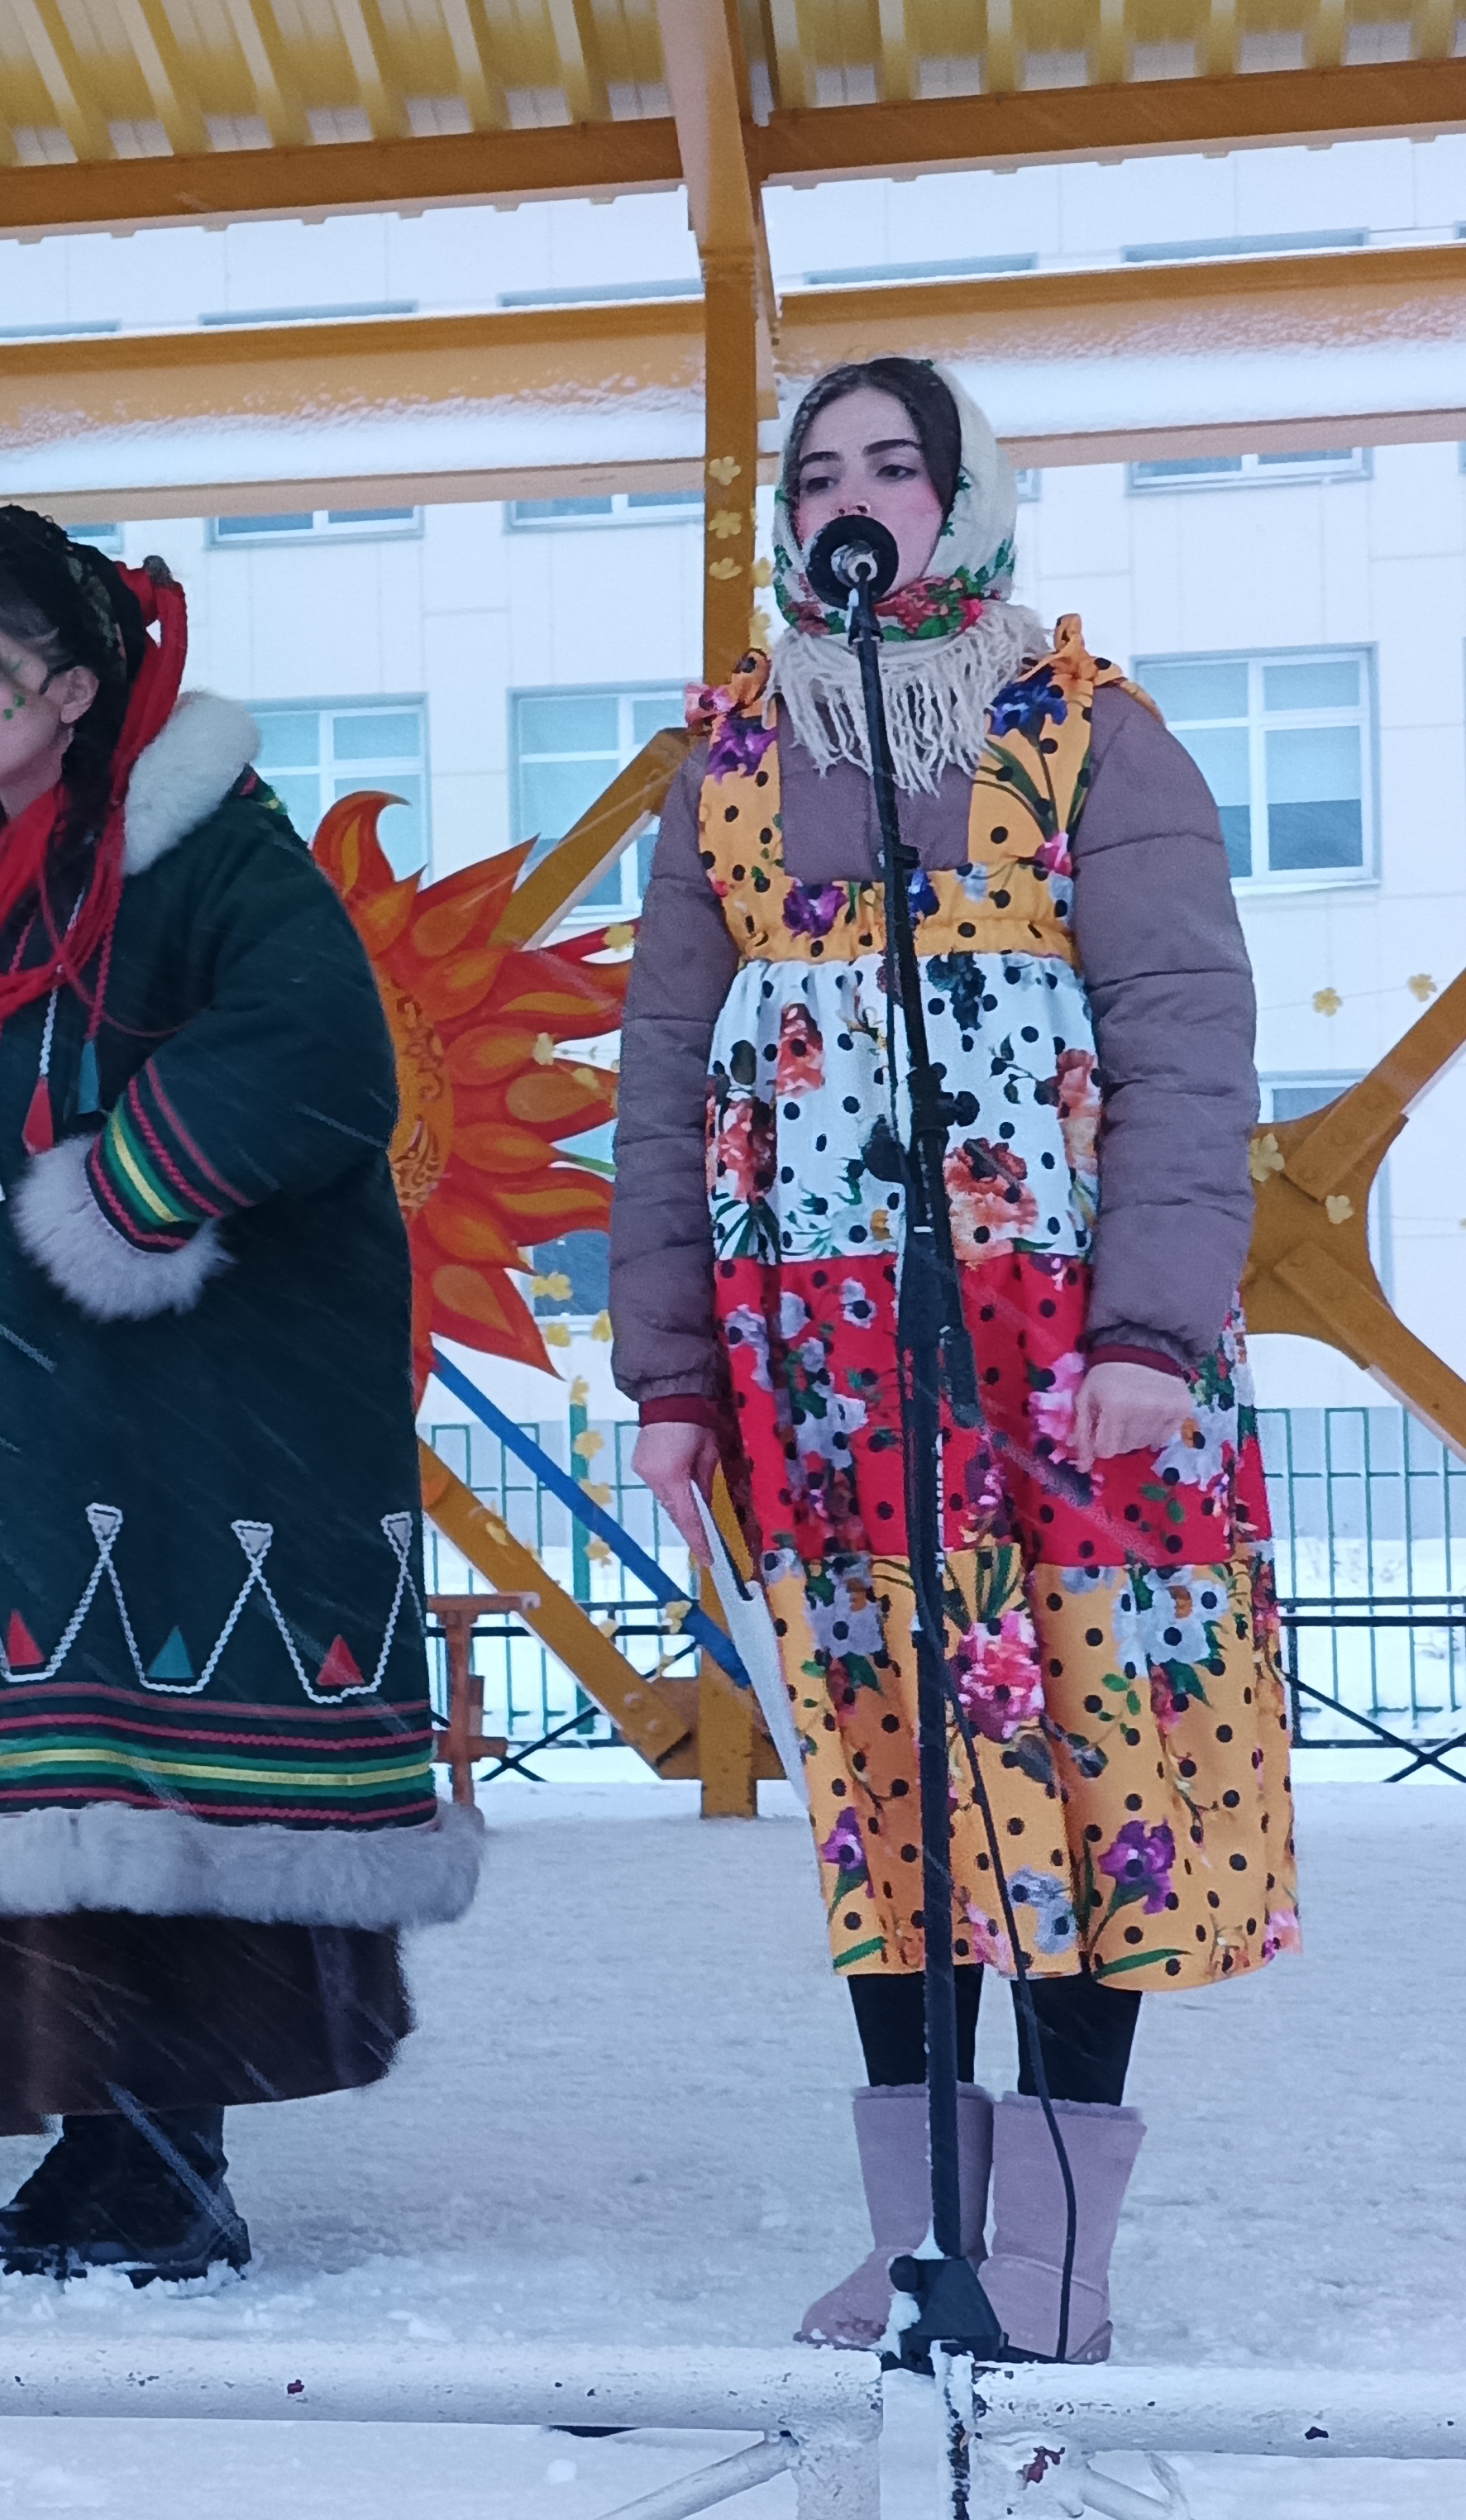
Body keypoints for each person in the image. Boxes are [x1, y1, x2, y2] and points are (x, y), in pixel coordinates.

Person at [0, 505, 481, 2284]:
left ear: (74, 684)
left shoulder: (212, 855)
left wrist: (122, 1191)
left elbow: (315, 1053)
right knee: (34, 1790)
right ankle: (88, 2137)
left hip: (182, 1425)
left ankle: (172, 2151)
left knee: (156, 1781)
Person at [614, 360, 1296, 2362]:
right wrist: (666, 1374)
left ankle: (1060, 2253)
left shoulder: (1088, 731)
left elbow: (1185, 1038)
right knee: (886, 1782)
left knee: (1092, 1767)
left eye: (892, 465)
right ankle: (924, 2232)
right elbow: (660, 1085)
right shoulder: (725, 759)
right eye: (817, 470)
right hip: (819, 1378)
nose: (854, 496)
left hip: (1074, 1360)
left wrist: (1156, 1328)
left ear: (966, 498)